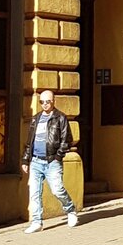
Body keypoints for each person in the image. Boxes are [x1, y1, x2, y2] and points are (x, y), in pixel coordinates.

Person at [21, 90, 77, 232]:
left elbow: (67, 140)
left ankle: (70, 209)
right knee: (34, 193)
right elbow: (29, 142)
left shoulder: (60, 118)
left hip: (52, 161)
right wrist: (25, 160)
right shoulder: (36, 118)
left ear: (53, 102)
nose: (45, 104)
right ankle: (36, 222)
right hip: (35, 161)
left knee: (57, 190)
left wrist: (58, 157)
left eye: (48, 102)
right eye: (42, 102)